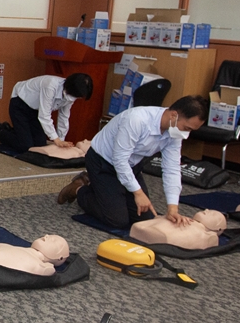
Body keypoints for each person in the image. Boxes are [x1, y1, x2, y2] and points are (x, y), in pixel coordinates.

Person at [58, 95, 208, 229]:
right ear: (174, 115)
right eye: (187, 128)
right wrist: (138, 192)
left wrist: (173, 208)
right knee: (117, 220)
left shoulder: (174, 131)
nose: (186, 134)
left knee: (144, 219)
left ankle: (108, 191)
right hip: (103, 162)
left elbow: (172, 168)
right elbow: (119, 160)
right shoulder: (137, 119)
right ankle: (79, 189)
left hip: (131, 166)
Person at [0, 73, 93, 152]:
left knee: (40, 146)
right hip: (20, 105)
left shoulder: (72, 95)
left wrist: (61, 140)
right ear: (70, 88)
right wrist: (56, 139)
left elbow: (64, 117)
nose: (75, 99)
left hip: (35, 111)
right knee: (26, 147)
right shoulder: (51, 85)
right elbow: (44, 115)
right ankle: (0, 132)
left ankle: (14, 131)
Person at [0, 235, 70, 277]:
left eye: (54, 240)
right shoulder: (13, 248)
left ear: (60, 258)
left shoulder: (44, 267)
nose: (46, 236)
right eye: (47, 235)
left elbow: (49, 271)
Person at [129, 210, 224, 250]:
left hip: (162, 236)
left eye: (212, 214)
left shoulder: (210, 235)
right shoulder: (186, 219)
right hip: (146, 227)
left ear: (218, 227)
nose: (207, 210)